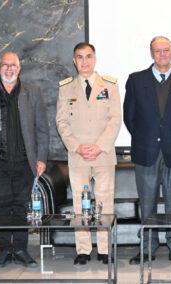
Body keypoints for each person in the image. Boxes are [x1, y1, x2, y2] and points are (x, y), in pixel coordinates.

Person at [0, 51, 49, 269]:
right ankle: (4, 251)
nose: (9, 69)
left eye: (13, 65)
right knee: (3, 205)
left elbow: (42, 128)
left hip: (26, 161)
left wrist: (41, 158)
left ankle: (21, 250)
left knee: (21, 206)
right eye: (5, 65)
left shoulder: (33, 92)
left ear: (19, 68)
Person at [123, 36, 171, 265]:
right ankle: (148, 247)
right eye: (158, 50)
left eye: (166, 50)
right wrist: (146, 139)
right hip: (146, 152)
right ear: (151, 53)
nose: (162, 54)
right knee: (148, 204)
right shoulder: (136, 80)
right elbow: (130, 117)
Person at [56, 42, 121, 265]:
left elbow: (115, 119)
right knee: (79, 204)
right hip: (78, 156)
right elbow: (61, 122)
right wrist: (77, 147)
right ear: (74, 61)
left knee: (105, 203)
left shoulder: (110, 85)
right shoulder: (66, 88)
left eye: (89, 56)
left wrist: (99, 146)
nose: (85, 61)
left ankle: (104, 250)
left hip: (103, 154)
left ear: (95, 59)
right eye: (80, 57)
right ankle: (83, 250)